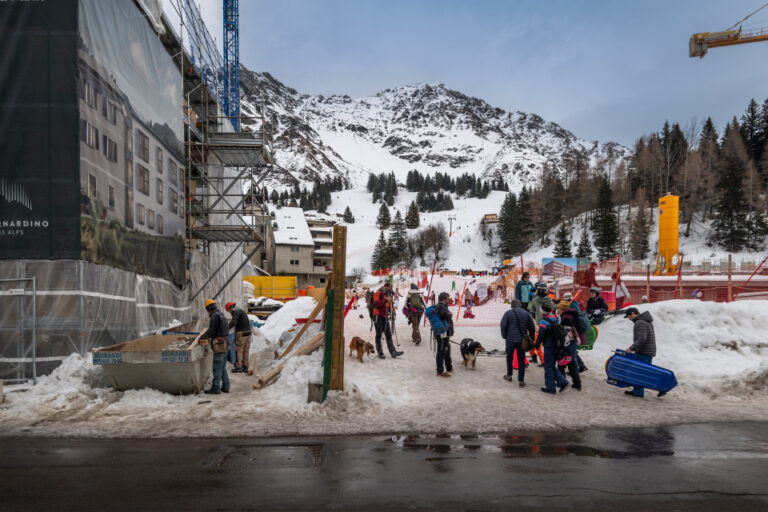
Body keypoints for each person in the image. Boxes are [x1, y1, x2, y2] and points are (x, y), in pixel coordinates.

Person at [500, 299, 535, 387]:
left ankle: (509, 375)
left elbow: (503, 325)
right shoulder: (526, 314)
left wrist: (504, 336)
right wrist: (531, 338)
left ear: (512, 306)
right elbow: (532, 327)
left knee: (509, 357)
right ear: (520, 305)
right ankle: (521, 380)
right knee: (521, 359)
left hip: (510, 339)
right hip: (522, 340)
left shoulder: (508, 313)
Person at [624, 307, 658, 397]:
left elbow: (642, 338)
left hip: (643, 351)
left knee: (637, 371)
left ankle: (638, 392)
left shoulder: (639, 322)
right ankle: (640, 391)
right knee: (645, 373)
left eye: (628, 316)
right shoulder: (646, 321)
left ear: (632, 313)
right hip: (649, 351)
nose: (629, 319)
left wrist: (631, 348)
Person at [537, 303, 569, 394]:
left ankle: (550, 387)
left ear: (542, 311)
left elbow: (541, 335)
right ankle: (562, 382)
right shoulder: (556, 318)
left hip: (549, 346)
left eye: (540, 310)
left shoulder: (544, 321)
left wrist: (537, 344)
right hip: (557, 345)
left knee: (548, 367)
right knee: (551, 365)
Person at [202, 299, 230, 394]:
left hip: (219, 344)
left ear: (208, 309)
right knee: (222, 366)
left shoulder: (214, 316)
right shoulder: (221, 314)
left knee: (217, 367)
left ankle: (216, 387)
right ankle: (226, 386)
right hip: (226, 342)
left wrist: (203, 336)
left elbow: (212, 330)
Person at [372, 283, 404, 359]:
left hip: (385, 316)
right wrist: (385, 300)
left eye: (389, 287)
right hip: (378, 316)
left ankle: (393, 351)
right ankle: (380, 352)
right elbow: (376, 304)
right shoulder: (378, 293)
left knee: (388, 334)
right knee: (379, 335)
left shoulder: (388, 294)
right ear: (384, 287)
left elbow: (389, 305)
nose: (388, 288)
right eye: (387, 287)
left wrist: (393, 313)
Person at [225, 302, 251, 374]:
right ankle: (245, 366)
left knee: (239, 350)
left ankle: (239, 367)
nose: (229, 313)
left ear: (231, 308)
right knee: (246, 350)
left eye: (228, 311)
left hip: (241, 334)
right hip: (248, 333)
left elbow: (233, 322)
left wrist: (226, 328)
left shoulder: (235, 312)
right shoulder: (241, 311)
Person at [434, 292, 454, 377]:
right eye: (447, 298)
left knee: (447, 348)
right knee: (441, 351)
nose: (449, 300)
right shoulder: (441, 306)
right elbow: (442, 315)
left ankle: (449, 367)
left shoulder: (442, 306)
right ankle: (440, 371)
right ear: (443, 299)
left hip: (443, 332)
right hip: (442, 333)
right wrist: (449, 314)